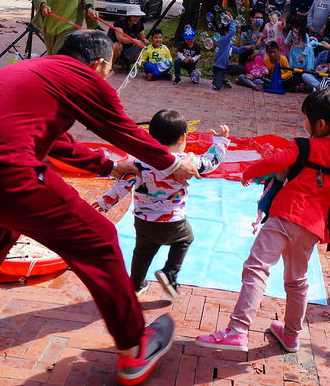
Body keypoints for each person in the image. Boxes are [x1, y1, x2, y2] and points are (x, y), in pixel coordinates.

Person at [0, 30, 195, 384]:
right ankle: (135, 347)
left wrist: (108, 166)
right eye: (109, 71)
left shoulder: (35, 70)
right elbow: (120, 128)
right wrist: (173, 165)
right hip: (6, 174)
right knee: (100, 237)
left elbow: (58, 144)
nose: (107, 78)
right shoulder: (81, 75)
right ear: (98, 63)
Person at [195, 89, 330, 353]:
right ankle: (292, 335)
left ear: (319, 124)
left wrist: (248, 171)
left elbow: (273, 161)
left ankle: (237, 331)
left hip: (284, 217)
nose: (303, 123)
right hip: (312, 229)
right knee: (297, 282)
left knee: (256, 269)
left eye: (305, 118)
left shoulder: (301, 146)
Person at [96, 113, 230, 300]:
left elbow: (124, 183)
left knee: (142, 253)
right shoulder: (187, 162)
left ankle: (135, 285)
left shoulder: (139, 162)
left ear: (151, 137)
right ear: (183, 138)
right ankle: (170, 272)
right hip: (173, 221)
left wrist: (105, 202)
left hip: (143, 221)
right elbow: (210, 162)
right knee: (185, 239)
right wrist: (220, 142)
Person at [211, 19, 245, 90]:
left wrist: (246, 48)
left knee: (240, 69)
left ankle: (224, 79)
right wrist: (232, 20)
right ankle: (218, 79)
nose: (231, 36)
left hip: (225, 68)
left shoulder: (228, 43)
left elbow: (237, 50)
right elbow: (232, 31)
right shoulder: (222, 40)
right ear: (226, 33)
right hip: (218, 68)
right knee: (217, 86)